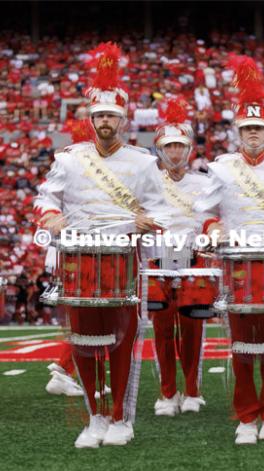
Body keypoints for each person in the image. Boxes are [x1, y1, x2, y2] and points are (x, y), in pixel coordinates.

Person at [35, 43, 165, 448]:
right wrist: (51, 217)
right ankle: (94, 416)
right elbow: (45, 198)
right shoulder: (70, 157)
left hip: (122, 259)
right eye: (99, 116)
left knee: (122, 340)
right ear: (91, 120)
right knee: (85, 340)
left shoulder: (143, 162)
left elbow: (159, 208)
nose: (105, 121)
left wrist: (146, 221)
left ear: (123, 121)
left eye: (111, 115)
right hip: (78, 259)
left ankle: (122, 419)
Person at [195, 55, 264, 445]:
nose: (253, 134)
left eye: (259, 128)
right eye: (247, 128)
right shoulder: (221, 167)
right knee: (240, 341)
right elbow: (203, 213)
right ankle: (245, 414)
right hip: (237, 262)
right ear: (238, 132)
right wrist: (214, 227)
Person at [149, 98, 213, 416]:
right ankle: (166, 393)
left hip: (194, 260)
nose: (175, 153)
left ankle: (192, 391)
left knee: (192, 328)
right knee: (161, 329)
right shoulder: (148, 183)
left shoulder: (204, 182)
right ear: (161, 150)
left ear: (188, 150)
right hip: (157, 262)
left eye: (180, 147)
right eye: (169, 147)